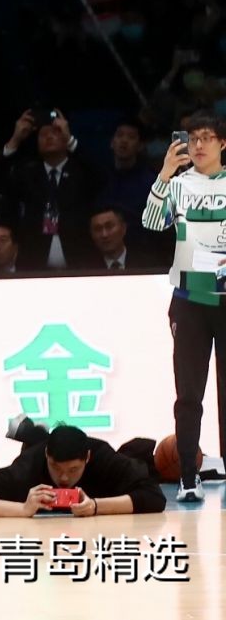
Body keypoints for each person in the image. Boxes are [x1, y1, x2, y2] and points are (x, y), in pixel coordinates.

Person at [142, 120, 226, 501]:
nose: (199, 145)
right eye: (193, 139)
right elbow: (149, 221)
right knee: (188, 393)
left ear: (222, 144)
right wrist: (163, 175)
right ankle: (188, 478)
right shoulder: (177, 185)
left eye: (207, 138)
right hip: (190, 298)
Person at [0, 423, 166, 519]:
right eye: (56, 468)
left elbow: (154, 496)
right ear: (47, 456)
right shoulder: (30, 466)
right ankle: (34, 434)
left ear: (87, 459)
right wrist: (23, 509)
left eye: (73, 469)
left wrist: (95, 506)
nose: (64, 478)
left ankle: (33, 431)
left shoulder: (102, 458)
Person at [4, 109, 99, 270]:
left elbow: (99, 176)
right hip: (34, 262)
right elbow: (2, 181)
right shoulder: (28, 173)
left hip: (79, 262)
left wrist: (70, 139)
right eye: (43, 134)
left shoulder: (80, 171)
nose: (48, 137)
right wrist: (15, 139)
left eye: (55, 132)